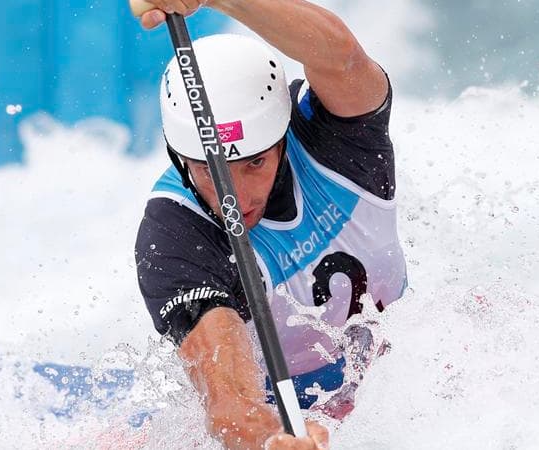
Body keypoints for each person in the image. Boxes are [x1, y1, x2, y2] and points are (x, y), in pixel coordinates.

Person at [133, 1, 407, 449]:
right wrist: (271, 441)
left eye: (255, 162)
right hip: (291, 416)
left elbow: (341, 56)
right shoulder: (175, 233)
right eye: (207, 168)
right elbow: (229, 402)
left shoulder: (336, 137)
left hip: (406, 368)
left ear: (281, 137)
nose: (233, 198)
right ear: (178, 158)